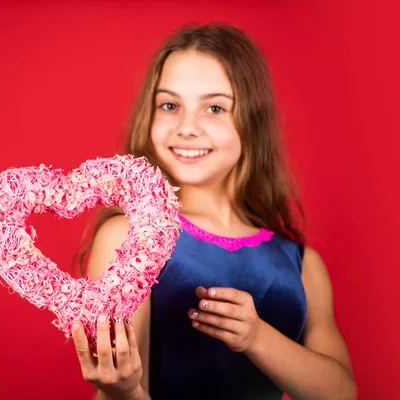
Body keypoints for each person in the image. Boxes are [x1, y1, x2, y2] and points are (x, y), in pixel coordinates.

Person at [69, 23, 356, 400]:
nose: (187, 128)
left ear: (252, 120)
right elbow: (121, 389)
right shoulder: (130, 239)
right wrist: (121, 391)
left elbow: (342, 394)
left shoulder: (303, 265)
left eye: (215, 107)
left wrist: (257, 336)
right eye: (170, 105)